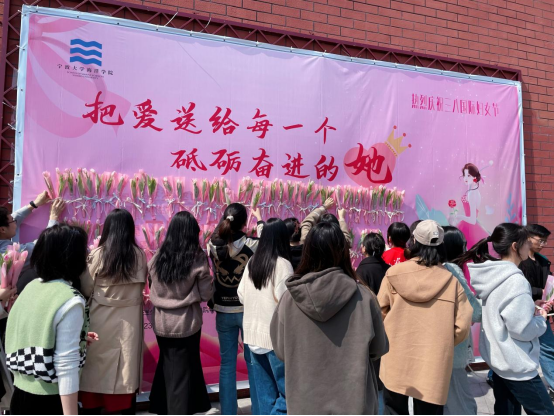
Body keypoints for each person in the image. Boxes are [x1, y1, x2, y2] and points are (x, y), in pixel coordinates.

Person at [270, 222, 389, 415]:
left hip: (305, 404)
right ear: (343, 252)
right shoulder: (364, 297)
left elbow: (281, 351)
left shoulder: (289, 299)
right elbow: (379, 348)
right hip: (355, 403)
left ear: (308, 251)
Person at [378, 220, 473, 416]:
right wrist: (442, 342)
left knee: (393, 410)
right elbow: (463, 326)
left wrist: (393, 334)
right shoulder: (451, 281)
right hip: (433, 362)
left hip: (396, 357)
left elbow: (380, 312)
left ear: (414, 241)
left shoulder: (393, 274)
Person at [5, 225, 97, 415]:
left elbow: (30, 332)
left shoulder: (31, 286)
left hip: (19, 395)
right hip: (49, 401)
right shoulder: (70, 299)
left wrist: (76, 338)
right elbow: (66, 366)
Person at [464, 223, 554, 415]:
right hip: (517, 365)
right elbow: (522, 330)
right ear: (515, 246)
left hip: (499, 361)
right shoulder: (515, 281)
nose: (529, 247)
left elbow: (503, 313)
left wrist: (530, 307)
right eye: (526, 242)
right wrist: (541, 319)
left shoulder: (493, 275)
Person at [79, 209, 147, 415]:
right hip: (130, 321)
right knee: (125, 367)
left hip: (100, 318)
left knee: (95, 367)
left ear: (108, 228)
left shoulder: (98, 254)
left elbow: (86, 288)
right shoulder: (140, 255)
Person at [149, 211, 213, 415]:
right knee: (181, 372)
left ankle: (160, 405)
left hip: (161, 321)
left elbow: (151, 284)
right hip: (186, 323)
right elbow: (206, 293)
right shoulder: (197, 257)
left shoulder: (159, 256)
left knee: (169, 364)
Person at [208, 203, 263, 416]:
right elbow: (266, 240)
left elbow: (218, 235)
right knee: (253, 364)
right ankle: (258, 410)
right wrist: (259, 220)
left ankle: (228, 412)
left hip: (223, 309)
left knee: (227, 365)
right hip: (247, 310)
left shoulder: (212, 246)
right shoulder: (252, 244)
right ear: (243, 223)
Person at [238, 218, 292, 415]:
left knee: (264, 397)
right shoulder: (283, 265)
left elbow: (241, 294)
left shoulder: (252, 262)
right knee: (287, 395)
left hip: (252, 337)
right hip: (274, 339)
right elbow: (287, 303)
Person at [442, 226, 482, 416]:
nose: (465, 249)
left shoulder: (427, 269)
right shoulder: (452, 270)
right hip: (453, 348)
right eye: (463, 244)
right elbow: (474, 311)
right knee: (462, 404)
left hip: (430, 349)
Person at [519, 224, 554, 398]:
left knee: (548, 348)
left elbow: (548, 283)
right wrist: (539, 291)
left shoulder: (542, 261)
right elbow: (517, 286)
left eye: (545, 241)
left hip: (541, 311)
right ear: (527, 237)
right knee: (516, 348)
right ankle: (493, 375)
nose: (543, 244)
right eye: (540, 240)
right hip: (522, 311)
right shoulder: (518, 260)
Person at [449, 163, 489, 249]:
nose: (465, 178)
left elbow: (472, 220)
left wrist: (460, 217)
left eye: (468, 175)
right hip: (469, 225)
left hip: (470, 227)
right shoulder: (473, 191)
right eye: (464, 175)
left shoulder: (472, 193)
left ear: (474, 177)